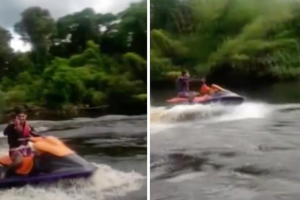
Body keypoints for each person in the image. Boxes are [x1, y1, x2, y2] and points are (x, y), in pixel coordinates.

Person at [1, 108, 40, 178]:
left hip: (26, 149)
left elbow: (35, 134)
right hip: (14, 150)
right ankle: (6, 171)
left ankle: (36, 171)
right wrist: (12, 125)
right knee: (19, 161)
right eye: (19, 116)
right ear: (16, 117)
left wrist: (44, 137)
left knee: (40, 155)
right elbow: (5, 133)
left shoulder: (29, 127)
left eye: (23, 116)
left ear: (26, 117)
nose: (21, 118)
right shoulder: (12, 126)